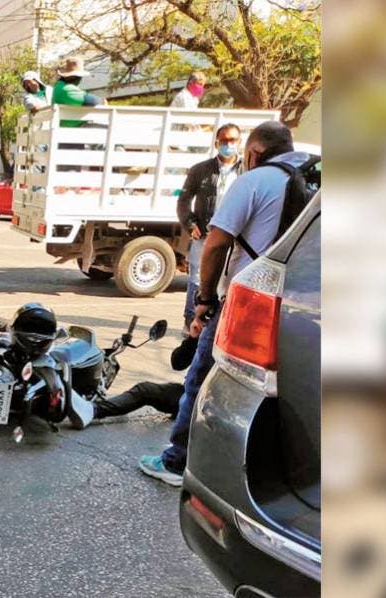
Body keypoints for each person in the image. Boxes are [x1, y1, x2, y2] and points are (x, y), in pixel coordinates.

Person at [139, 121, 310, 486]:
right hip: (301, 305)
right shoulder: (313, 179)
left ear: (252, 152)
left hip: (250, 302)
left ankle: (175, 462)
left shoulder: (253, 181)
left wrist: (203, 301)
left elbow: (216, 244)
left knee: (200, 378)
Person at [176, 124, 243, 334]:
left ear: (239, 142)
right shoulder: (201, 170)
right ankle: (191, 324)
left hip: (235, 236)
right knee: (197, 279)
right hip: (205, 234)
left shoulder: (247, 171)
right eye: (224, 141)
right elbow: (184, 200)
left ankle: (218, 327)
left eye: (233, 140)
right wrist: (190, 223)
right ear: (216, 143)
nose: (228, 145)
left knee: (228, 280)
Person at [92, 335, 198, 420]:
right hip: (189, 392)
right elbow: (177, 364)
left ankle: (94, 410)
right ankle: (94, 410)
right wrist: (192, 339)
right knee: (145, 390)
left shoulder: (212, 339)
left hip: (203, 402)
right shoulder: (206, 335)